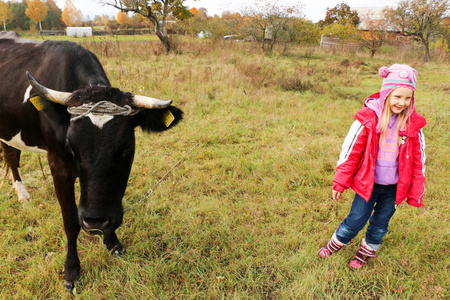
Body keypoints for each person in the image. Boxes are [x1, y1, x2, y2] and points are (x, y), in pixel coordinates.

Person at [318, 64, 427, 269]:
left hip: (394, 188)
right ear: (386, 94)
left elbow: (418, 161)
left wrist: (416, 191)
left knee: (380, 224)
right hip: (368, 185)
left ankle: (365, 253)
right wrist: (340, 182)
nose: (402, 103)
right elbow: (350, 153)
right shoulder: (368, 119)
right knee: (356, 219)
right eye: (397, 97)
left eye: (407, 98)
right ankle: (335, 244)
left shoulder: (413, 125)